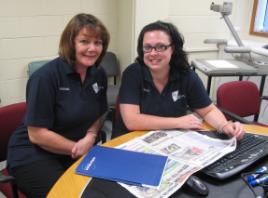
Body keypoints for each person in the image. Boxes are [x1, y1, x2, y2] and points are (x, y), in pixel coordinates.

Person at [7, 13, 110, 197]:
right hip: (33, 155)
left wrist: (91, 135)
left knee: (106, 189)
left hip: (74, 149)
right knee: (72, 195)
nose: (92, 48)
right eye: (85, 41)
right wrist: (75, 147)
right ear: (70, 43)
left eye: (98, 42)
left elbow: (100, 112)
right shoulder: (45, 78)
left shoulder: (98, 73)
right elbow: (37, 134)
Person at [112, 21, 244, 140]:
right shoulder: (133, 73)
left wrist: (224, 125)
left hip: (168, 139)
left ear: (172, 49)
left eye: (160, 47)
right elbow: (132, 121)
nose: (152, 53)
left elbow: (208, 110)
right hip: (132, 139)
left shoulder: (186, 75)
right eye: (147, 47)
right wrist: (178, 122)